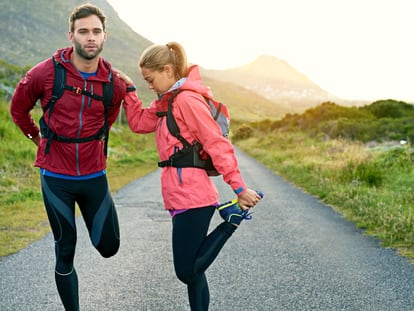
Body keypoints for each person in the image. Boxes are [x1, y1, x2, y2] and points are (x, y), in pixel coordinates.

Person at [118, 41, 263, 310]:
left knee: (186, 271)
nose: (149, 85)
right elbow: (139, 123)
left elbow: (216, 143)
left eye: (150, 79)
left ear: (168, 70)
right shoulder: (168, 102)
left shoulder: (186, 100)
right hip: (179, 195)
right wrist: (129, 90)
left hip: (193, 196)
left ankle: (230, 221)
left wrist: (239, 188)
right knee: (195, 274)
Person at [10, 4, 131, 310]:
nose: (90, 37)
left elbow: (109, 118)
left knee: (109, 247)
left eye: (96, 31)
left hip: (93, 175)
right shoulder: (46, 72)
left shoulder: (114, 83)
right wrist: (37, 138)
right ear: (71, 35)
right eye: (83, 31)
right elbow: (17, 109)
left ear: (104, 37)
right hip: (55, 176)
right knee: (66, 248)